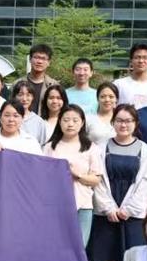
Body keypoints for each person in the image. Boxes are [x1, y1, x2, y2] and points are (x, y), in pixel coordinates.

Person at [88, 104, 147, 261]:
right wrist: (108, 208)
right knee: (106, 257)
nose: (123, 125)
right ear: (113, 122)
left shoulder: (146, 151)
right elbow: (98, 180)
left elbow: (146, 183)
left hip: (132, 214)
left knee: (131, 260)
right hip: (106, 213)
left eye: (128, 121)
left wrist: (129, 209)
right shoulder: (100, 148)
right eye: (119, 120)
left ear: (136, 123)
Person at [42, 104, 103, 247]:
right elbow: (42, 177)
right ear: (59, 122)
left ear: (82, 123)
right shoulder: (49, 147)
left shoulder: (91, 147)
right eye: (66, 120)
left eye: (75, 120)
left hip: (83, 204)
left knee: (79, 247)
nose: (70, 124)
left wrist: (77, 175)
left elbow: (96, 179)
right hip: (54, 204)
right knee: (55, 246)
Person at [17, 44, 58, 114]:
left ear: (49, 62)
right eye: (36, 57)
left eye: (43, 58)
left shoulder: (54, 85)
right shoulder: (17, 84)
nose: (39, 61)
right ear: (30, 59)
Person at [114, 44, 147, 110]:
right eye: (137, 57)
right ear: (131, 61)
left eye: (145, 58)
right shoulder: (118, 84)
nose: (141, 61)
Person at [11, 80, 49, 144]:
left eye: (28, 95)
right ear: (14, 97)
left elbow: (42, 146)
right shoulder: (8, 118)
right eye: (20, 95)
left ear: (32, 97)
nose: (24, 99)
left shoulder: (39, 122)